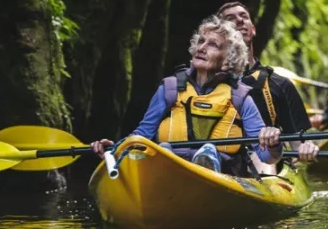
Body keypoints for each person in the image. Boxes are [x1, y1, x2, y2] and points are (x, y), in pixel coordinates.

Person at [91, 16, 282, 174]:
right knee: (161, 150)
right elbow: (142, 136)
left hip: (220, 175)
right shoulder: (170, 89)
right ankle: (166, 165)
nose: (201, 48)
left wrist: (272, 142)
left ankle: (206, 162)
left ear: (227, 61)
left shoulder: (240, 97)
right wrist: (114, 149)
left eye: (213, 45)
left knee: (210, 151)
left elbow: (266, 156)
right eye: (201, 41)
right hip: (169, 167)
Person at [216, 2, 319, 169]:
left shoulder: (280, 85)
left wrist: (307, 149)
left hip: (265, 163)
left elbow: (299, 145)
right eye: (230, 19)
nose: (240, 21)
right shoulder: (206, 80)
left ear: (253, 29)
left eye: (244, 17)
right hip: (217, 157)